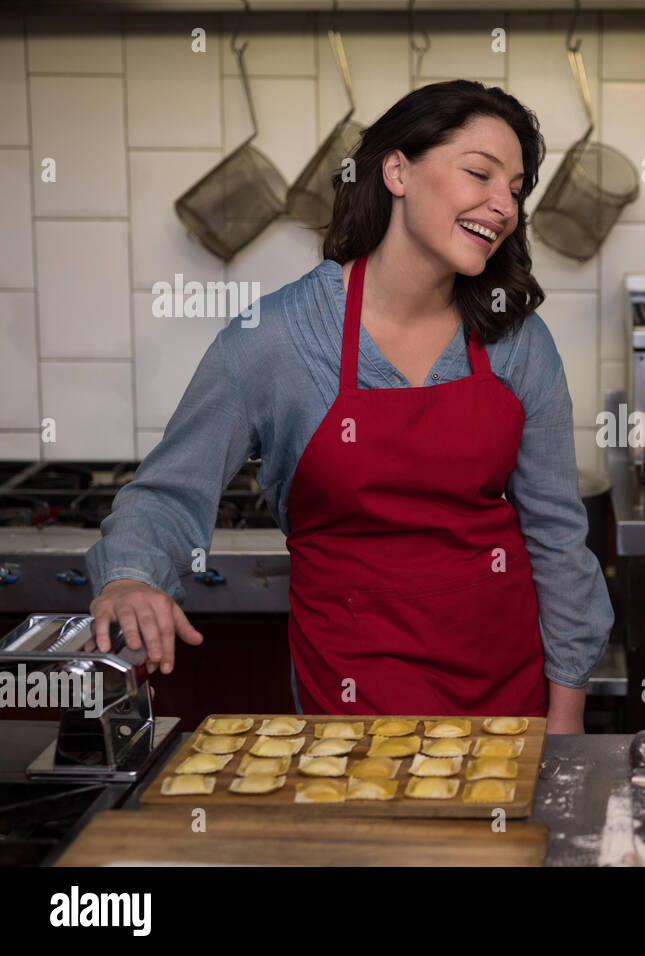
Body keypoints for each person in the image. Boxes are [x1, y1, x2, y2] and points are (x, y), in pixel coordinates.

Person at [85, 81, 612, 731]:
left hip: (507, 691)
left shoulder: (517, 340)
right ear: (397, 170)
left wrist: (565, 715)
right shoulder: (277, 340)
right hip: (353, 696)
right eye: (480, 173)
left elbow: (556, 538)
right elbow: (168, 493)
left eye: (516, 187)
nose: (503, 204)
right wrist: (130, 576)